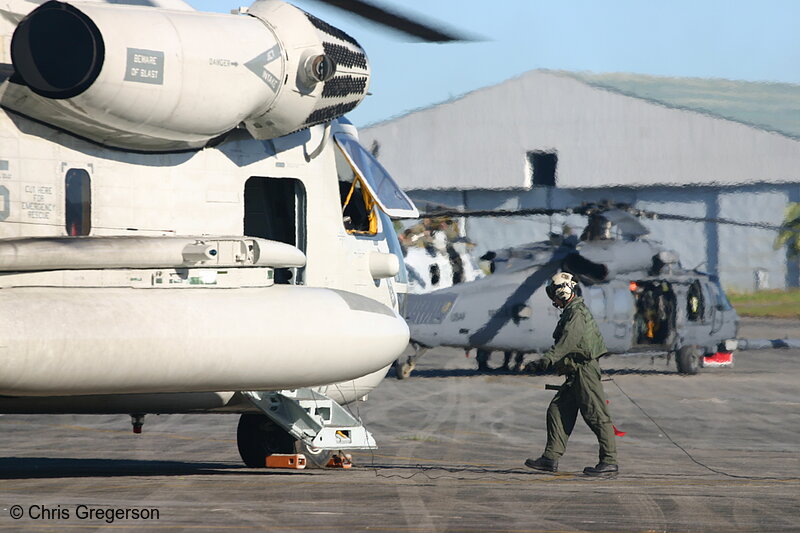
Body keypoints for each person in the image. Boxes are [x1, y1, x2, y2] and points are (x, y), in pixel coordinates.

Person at [524, 272, 619, 477]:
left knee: (596, 415)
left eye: (555, 295)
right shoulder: (570, 312)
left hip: (584, 371)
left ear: (564, 293)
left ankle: (609, 461)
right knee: (557, 410)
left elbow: (568, 341)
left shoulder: (576, 313)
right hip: (574, 372)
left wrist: (545, 360)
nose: (553, 300)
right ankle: (550, 458)